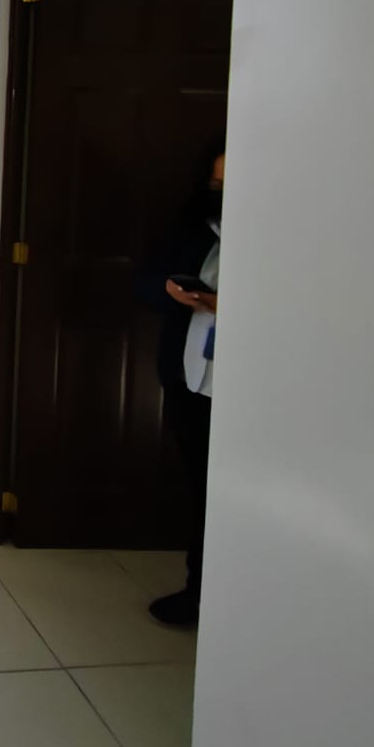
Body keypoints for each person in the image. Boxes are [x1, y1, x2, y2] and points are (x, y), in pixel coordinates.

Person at [140, 139, 224, 626]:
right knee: (202, 486)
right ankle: (199, 593)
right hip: (188, 377)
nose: (220, 193)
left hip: (254, 389)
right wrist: (171, 292)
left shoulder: (283, 233)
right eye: (214, 183)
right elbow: (146, 279)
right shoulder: (191, 227)